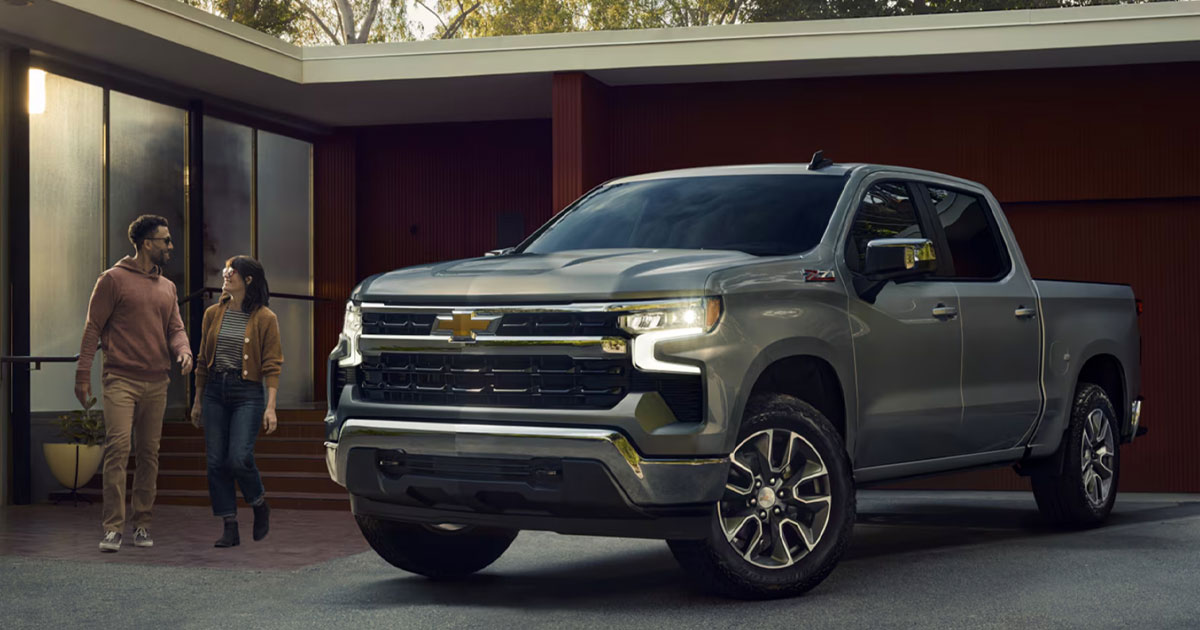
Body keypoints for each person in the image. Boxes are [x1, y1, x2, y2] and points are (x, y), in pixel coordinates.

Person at [76, 214, 193, 553]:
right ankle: (113, 527)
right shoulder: (112, 280)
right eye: (165, 240)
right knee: (118, 449)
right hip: (120, 379)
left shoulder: (168, 288)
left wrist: (183, 351)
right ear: (146, 243)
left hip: (157, 381)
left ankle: (142, 524)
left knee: (149, 455)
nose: (170, 246)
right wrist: (82, 374)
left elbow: (175, 328)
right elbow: (92, 328)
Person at [190, 255, 282, 547]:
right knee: (216, 461)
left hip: (248, 394)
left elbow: (272, 364)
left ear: (248, 280)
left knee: (239, 458)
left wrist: (271, 407)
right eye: (226, 270)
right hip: (216, 391)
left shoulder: (266, 318)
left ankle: (259, 504)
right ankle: (229, 525)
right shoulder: (212, 314)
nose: (226, 275)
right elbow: (203, 361)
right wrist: (198, 400)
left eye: (233, 271)